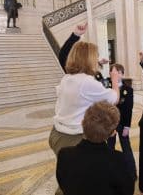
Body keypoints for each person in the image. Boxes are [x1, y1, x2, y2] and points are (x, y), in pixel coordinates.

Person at [49, 41, 120, 195]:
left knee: (69, 174)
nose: (97, 60)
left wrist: (97, 64)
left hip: (57, 134)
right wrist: (115, 79)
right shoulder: (87, 83)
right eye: (96, 58)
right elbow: (113, 98)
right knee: (79, 182)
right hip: (73, 138)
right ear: (88, 60)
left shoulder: (67, 78)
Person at [56, 101, 135, 195]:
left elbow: (63, 185)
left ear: (82, 123)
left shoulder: (64, 155)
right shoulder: (119, 160)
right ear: (112, 133)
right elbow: (127, 191)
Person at [107, 64, 137, 180]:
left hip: (122, 123)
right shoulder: (106, 88)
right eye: (111, 72)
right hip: (109, 124)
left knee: (126, 148)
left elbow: (128, 109)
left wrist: (127, 126)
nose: (112, 74)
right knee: (109, 148)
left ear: (121, 74)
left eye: (114, 72)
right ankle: (110, 173)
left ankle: (132, 173)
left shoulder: (128, 90)